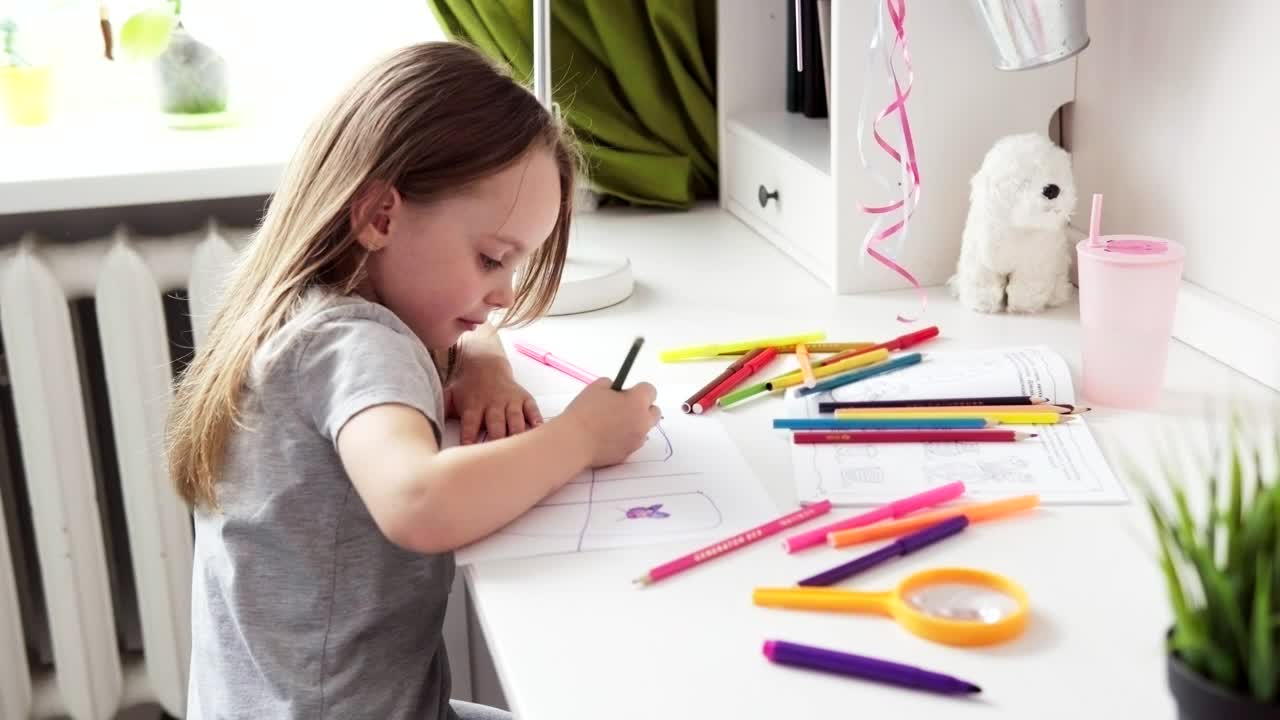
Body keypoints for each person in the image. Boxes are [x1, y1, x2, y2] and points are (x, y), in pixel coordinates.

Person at [166, 41, 660, 720]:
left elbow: (464, 337)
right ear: (380, 217)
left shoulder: (302, 308)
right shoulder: (356, 342)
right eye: (492, 259)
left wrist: (482, 359)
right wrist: (582, 435)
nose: (503, 296)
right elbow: (418, 501)